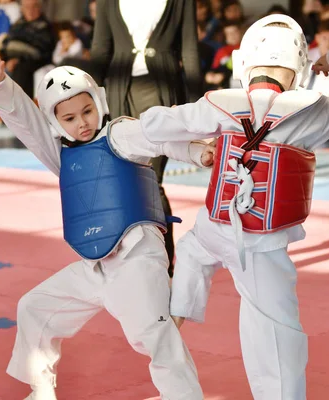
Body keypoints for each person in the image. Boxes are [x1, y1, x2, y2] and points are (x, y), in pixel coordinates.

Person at [139, 14, 329, 400]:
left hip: (213, 227)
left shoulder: (219, 104)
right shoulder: (313, 109)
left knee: (193, 256)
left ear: (244, 62)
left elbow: (156, 125)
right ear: (297, 66)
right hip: (260, 247)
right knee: (277, 339)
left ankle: (171, 322)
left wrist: (188, 144)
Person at [0, 45, 208, 400]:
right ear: (56, 122)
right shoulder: (63, 153)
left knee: (154, 336)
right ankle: (41, 389)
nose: (82, 122)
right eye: (69, 118)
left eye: (87, 111)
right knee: (34, 308)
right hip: (95, 266)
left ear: (99, 103)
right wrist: (0, 84)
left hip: (137, 260)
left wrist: (196, 151)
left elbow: (158, 136)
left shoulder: (118, 134)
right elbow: (27, 123)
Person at [91, 0, 202, 276]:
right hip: (120, 92)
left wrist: (199, 109)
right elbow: (100, 49)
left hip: (162, 93)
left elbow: (189, 49)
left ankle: (164, 262)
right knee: (122, 180)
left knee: (151, 180)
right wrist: (89, 105)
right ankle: (127, 257)